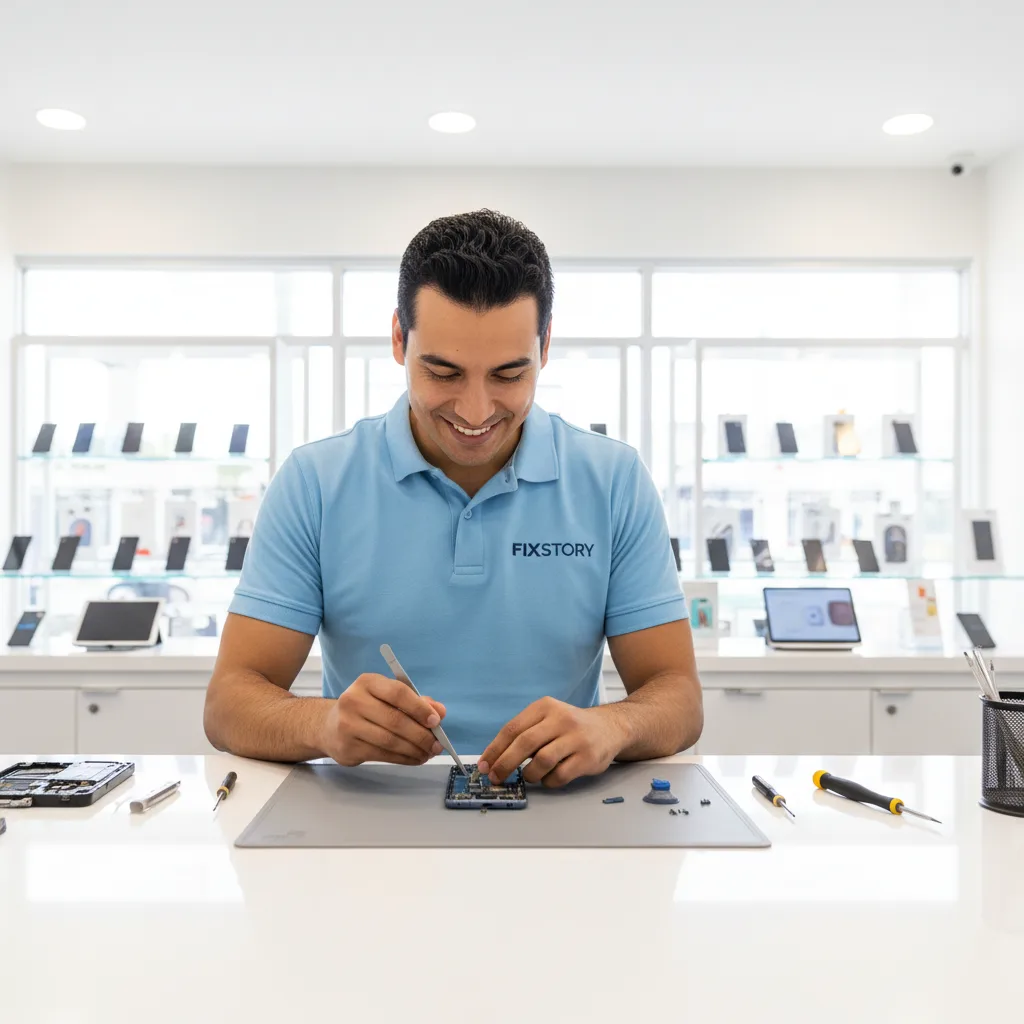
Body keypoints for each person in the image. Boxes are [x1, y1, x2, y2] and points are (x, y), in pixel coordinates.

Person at [204, 209, 703, 788]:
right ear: (398, 339)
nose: (475, 411)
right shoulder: (316, 481)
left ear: (544, 347)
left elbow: (679, 698)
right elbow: (228, 704)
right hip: (366, 822)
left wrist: (612, 727)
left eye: (508, 375)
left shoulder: (613, 479)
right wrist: (324, 724)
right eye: (442, 373)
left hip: (557, 816)